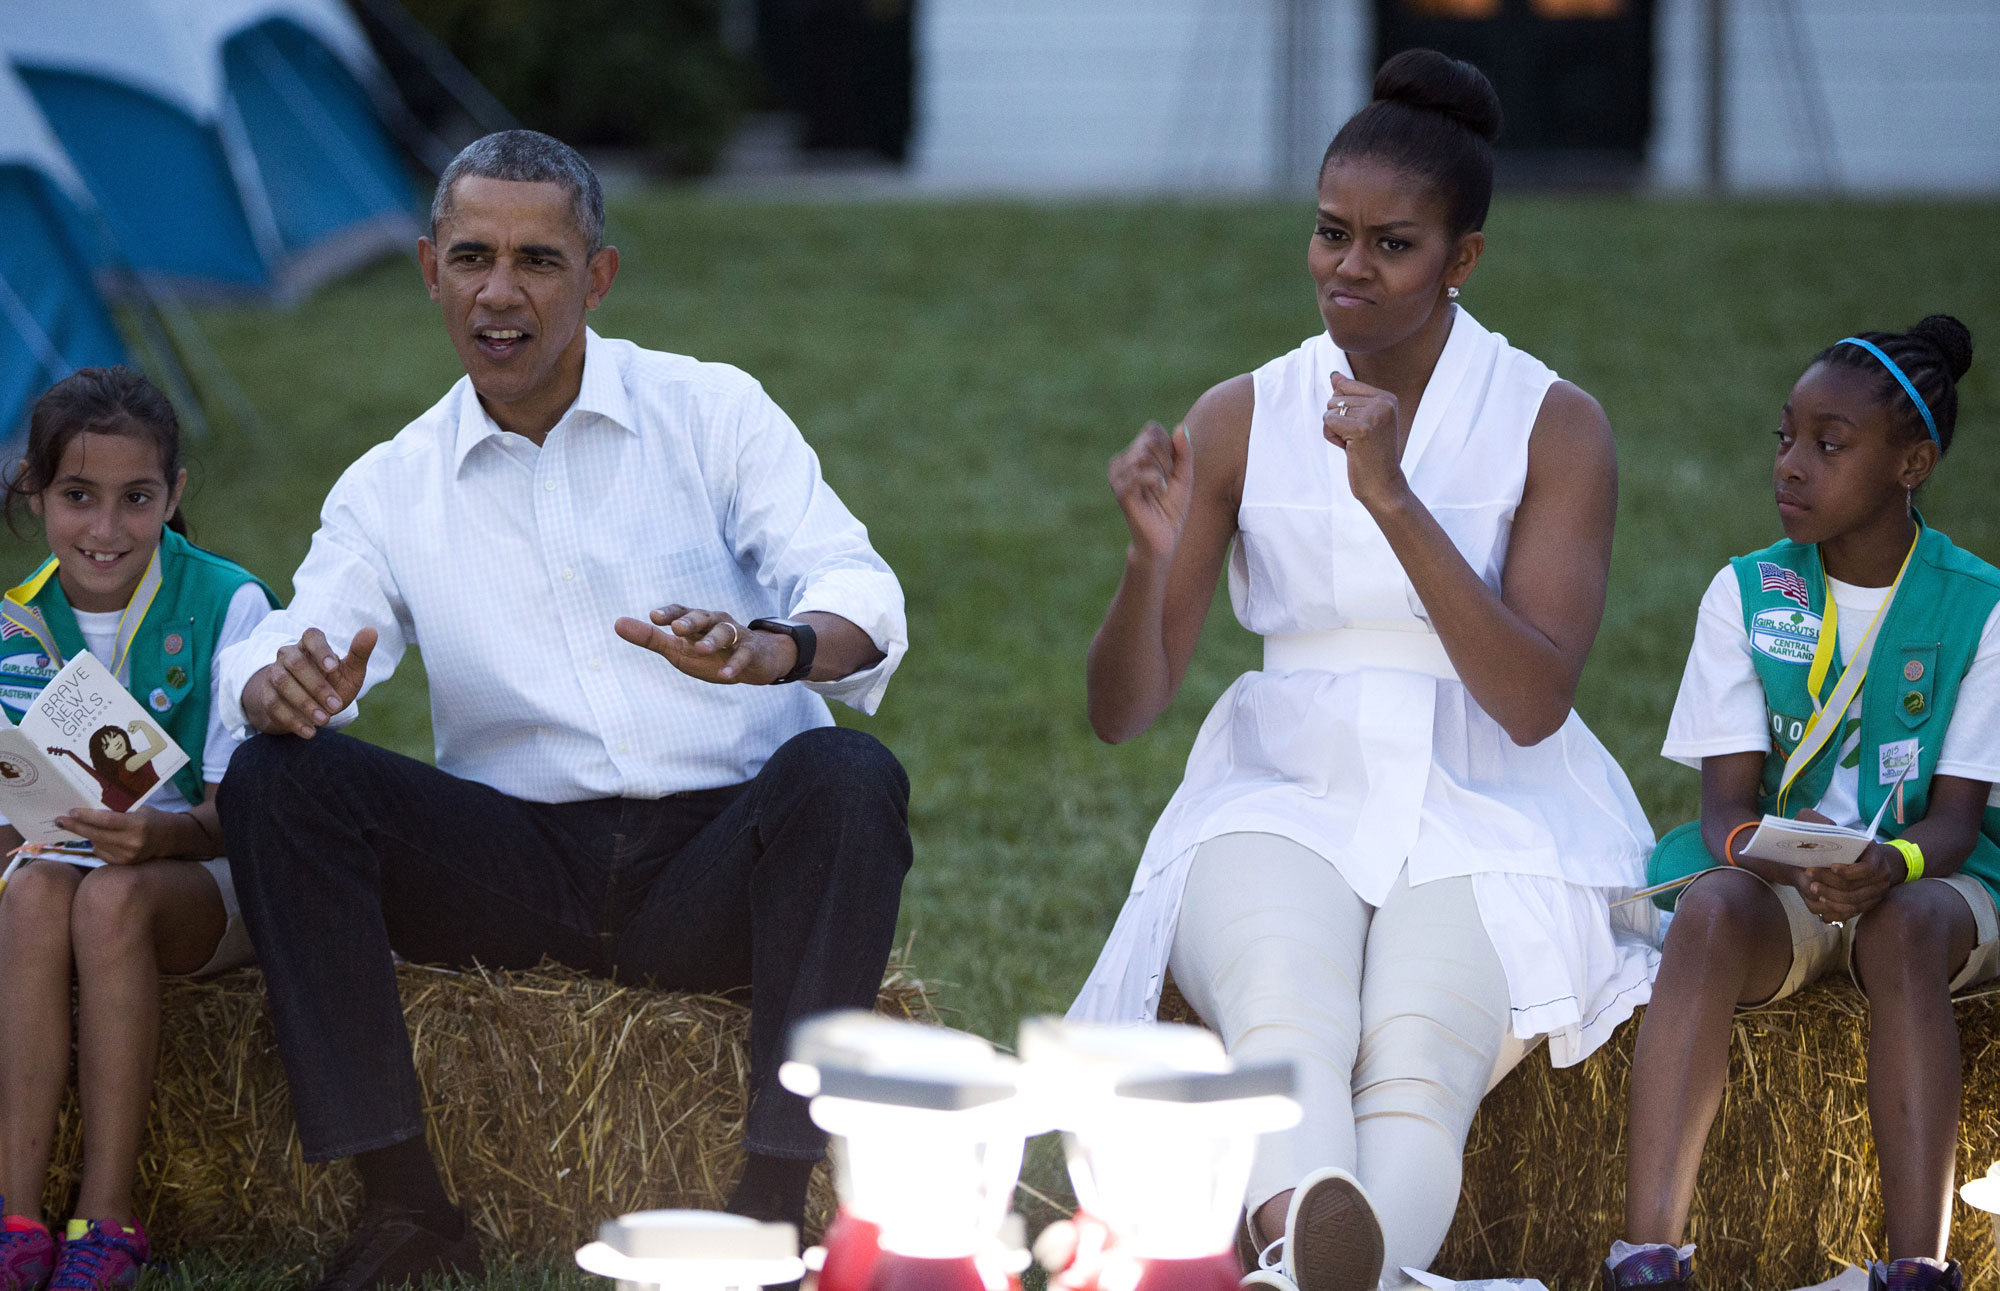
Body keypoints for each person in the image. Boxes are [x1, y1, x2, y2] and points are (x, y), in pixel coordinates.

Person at [211, 130, 911, 1291]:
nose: (500, 292)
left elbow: (859, 591)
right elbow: (297, 634)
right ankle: (403, 1204)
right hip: (514, 871)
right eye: (473, 257)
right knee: (283, 777)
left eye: (538, 261)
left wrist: (770, 648)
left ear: (597, 277)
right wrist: (271, 680)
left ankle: (772, 1203)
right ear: (429, 270)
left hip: (718, 863)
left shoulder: (709, 410)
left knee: (848, 777)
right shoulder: (393, 483)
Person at [1068, 50, 1658, 1291]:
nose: (1347, 266)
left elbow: (1532, 697)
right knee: (1286, 1014)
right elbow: (1121, 711)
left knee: (1417, 1056)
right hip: (1280, 773)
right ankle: (1337, 1271)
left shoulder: (1555, 422)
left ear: (1462, 260)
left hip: (1494, 787)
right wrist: (1146, 560)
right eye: (1330, 233)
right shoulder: (1240, 412)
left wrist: (1390, 498)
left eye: (1390, 245)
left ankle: (1302, 1270)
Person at [1609, 316, 1998, 1291]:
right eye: (1783, 437)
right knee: (1705, 907)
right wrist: (1788, 861)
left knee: (1903, 923)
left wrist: (1887, 865)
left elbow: (1952, 819)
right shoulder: (1745, 593)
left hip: (1930, 879)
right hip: (1785, 876)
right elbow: (1723, 817)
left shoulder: (1977, 604)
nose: (1790, 465)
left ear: (1910, 462)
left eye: (1827, 445)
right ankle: (1645, 1254)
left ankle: (1916, 1264)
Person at [0, 367, 278, 1291]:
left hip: (210, 880)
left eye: (137, 499)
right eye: (78, 497)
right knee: (37, 891)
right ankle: (16, 1219)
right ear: (36, 492)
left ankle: (108, 1217)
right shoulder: (15, 624)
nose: (107, 530)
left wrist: (153, 840)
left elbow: (251, 813)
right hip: (67, 873)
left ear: (176, 494)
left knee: (110, 900)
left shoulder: (230, 605)